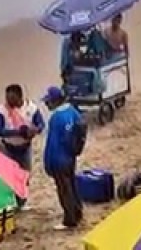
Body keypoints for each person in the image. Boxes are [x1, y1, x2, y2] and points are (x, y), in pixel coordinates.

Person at [0, 84, 43, 208]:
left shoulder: (32, 109)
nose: (8, 102)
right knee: (8, 176)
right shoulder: (1, 111)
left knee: (24, 175)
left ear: (20, 97)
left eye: (12, 99)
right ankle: (9, 202)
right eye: (7, 99)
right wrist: (18, 132)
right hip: (7, 148)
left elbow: (41, 124)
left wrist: (34, 130)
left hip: (25, 148)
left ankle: (22, 202)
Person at [42, 86, 86, 230]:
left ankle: (70, 220)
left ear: (55, 101)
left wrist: (48, 163)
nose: (46, 104)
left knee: (64, 189)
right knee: (72, 185)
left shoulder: (56, 118)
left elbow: (53, 144)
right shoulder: (72, 111)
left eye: (48, 101)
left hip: (59, 159)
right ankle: (77, 212)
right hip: (70, 157)